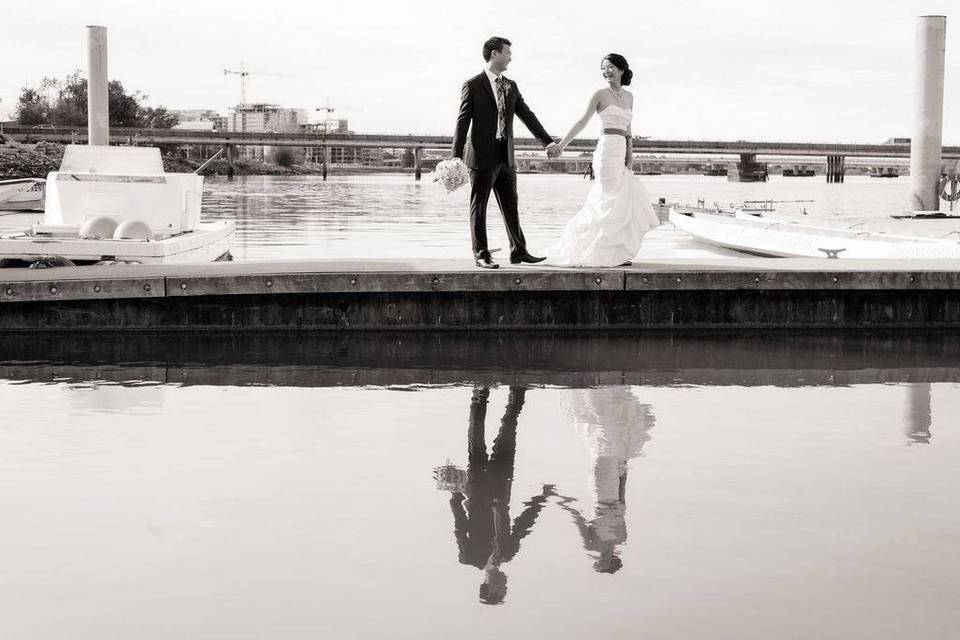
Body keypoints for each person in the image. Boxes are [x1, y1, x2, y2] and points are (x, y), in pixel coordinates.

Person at [436, 386, 554, 604]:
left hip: (477, 489)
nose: (505, 584)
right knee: (509, 428)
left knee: (476, 437)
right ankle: (518, 390)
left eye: (501, 589)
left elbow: (460, 525)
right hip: (501, 486)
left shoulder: (469, 557)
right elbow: (523, 523)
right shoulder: (508, 553)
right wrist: (543, 497)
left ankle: (481, 392)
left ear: (489, 587)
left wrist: (455, 495)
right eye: (504, 589)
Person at [453, 37, 561, 269]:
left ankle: (518, 252)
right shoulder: (473, 85)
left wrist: (547, 142)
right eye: (507, 53)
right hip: (481, 156)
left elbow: (527, 115)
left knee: (511, 203)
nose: (511, 57)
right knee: (478, 205)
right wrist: (456, 157)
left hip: (505, 155)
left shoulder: (511, 85)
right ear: (494, 54)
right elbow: (462, 122)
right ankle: (481, 254)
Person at [545, 54, 660, 267]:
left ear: (621, 70)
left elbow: (628, 130)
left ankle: (615, 253)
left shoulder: (630, 97)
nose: (606, 71)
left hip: (621, 150)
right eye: (603, 68)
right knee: (607, 199)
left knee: (621, 201)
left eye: (610, 67)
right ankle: (596, 252)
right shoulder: (599, 94)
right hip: (606, 151)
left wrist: (630, 155)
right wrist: (561, 145)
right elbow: (582, 122)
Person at [555, 386, 655, 573]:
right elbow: (622, 502)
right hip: (610, 492)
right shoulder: (619, 538)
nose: (600, 561)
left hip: (601, 495)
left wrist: (562, 501)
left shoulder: (594, 545)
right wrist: (624, 469)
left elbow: (578, 519)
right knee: (610, 450)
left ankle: (600, 400)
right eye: (603, 564)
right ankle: (604, 399)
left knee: (603, 451)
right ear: (611, 561)